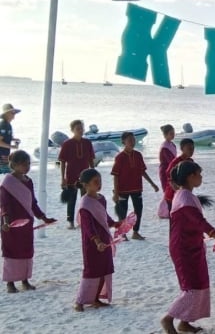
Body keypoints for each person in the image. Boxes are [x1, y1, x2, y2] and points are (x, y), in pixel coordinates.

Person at [161, 161, 215, 334]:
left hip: (192, 244)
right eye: (198, 174)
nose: (201, 177)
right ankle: (168, 319)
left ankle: (184, 323)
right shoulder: (184, 197)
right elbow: (199, 222)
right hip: (183, 248)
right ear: (190, 176)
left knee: (199, 284)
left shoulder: (186, 195)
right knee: (191, 288)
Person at [0, 150, 56, 293]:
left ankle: (25, 280)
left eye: (29, 163)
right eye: (24, 164)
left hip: (26, 222)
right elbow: (4, 205)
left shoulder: (28, 181)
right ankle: (10, 283)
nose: (27, 166)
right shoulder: (7, 183)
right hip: (11, 224)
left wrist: (44, 218)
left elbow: (33, 203)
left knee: (26, 251)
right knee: (12, 252)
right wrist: (6, 222)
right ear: (14, 165)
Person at [74, 168, 120, 312]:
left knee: (104, 269)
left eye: (99, 181)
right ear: (86, 185)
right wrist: (97, 241)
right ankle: (80, 301)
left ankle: (95, 298)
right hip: (92, 243)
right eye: (95, 182)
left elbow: (104, 216)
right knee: (91, 270)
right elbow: (88, 226)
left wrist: (115, 223)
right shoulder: (85, 204)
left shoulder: (101, 199)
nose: (99, 184)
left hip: (104, 239)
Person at [111, 132, 159, 240]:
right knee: (122, 212)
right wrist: (116, 192)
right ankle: (123, 234)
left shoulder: (138, 155)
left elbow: (142, 171)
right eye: (129, 140)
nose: (132, 142)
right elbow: (115, 175)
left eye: (133, 140)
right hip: (122, 189)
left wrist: (152, 184)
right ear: (124, 142)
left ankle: (135, 232)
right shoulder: (120, 157)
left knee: (138, 210)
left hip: (137, 187)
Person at [58, 120, 96, 229]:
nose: (80, 130)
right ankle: (70, 222)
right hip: (71, 175)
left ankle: (83, 220)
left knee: (85, 199)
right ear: (72, 130)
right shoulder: (67, 144)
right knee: (72, 199)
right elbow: (62, 162)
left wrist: (93, 173)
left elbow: (91, 159)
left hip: (85, 175)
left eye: (81, 128)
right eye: (77, 129)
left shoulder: (87, 143)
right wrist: (63, 178)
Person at [162, 138, 195, 215]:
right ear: (182, 149)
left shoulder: (191, 161)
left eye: (193, 148)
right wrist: (180, 192)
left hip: (185, 194)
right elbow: (170, 179)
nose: (191, 150)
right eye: (189, 148)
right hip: (172, 195)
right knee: (174, 220)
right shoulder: (176, 162)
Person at [0, 104, 21, 174]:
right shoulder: (3, 125)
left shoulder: (8, 125)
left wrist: (14, 139)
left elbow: (6, 136)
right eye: (12, 112)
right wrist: (12, 146)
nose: (14, 114)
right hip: (2, 158)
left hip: (5, 157)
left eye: (14, 112)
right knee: (12, 176)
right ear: (6, 114)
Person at [158, 124, 177, 193]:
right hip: (165, 171)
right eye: (171, 134)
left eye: (173, 133)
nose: (173, 135)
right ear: (165, 135)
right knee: (167, 192)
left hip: (172, 169)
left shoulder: (173, 144)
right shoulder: (164, 147)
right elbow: (171, 161)